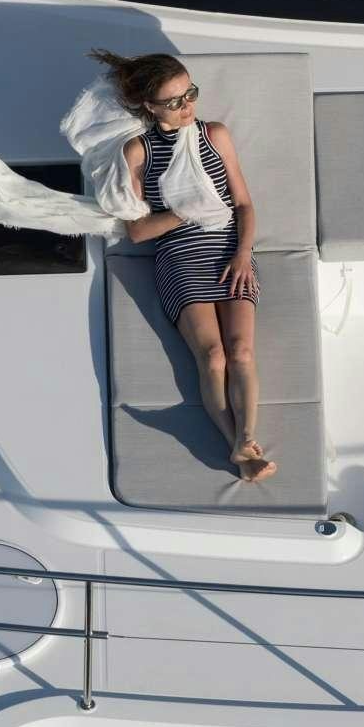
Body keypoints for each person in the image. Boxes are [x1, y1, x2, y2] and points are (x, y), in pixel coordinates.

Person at [89, 49, 276, 482]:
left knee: (241, 351)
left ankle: (244, 440)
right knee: (212, 357)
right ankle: (240, 449)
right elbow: (137, 231)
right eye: (174, 101)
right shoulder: (139, 151)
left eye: (189, 93)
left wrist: (244, 254)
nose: (187, 106)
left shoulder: (215, 134)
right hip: (180, 255)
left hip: (232, 249)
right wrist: (185, 210)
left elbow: (244, 205)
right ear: (148, 106)